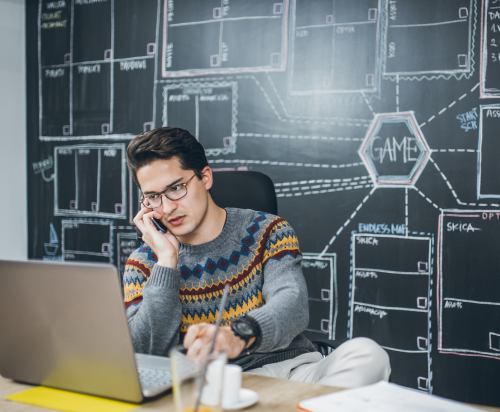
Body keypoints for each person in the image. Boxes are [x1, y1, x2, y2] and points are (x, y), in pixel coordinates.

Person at [123, 127, 391, 387]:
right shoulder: (144, 263)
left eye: (177, 187)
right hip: (213, 389)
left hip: (292, 372)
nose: (168, 207)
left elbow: (293, 304)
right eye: (153, 197)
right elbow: (143, 352)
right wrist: (166, 262)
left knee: (368, 355)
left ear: (205, 177)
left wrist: (238, 334)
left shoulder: (268, 230)